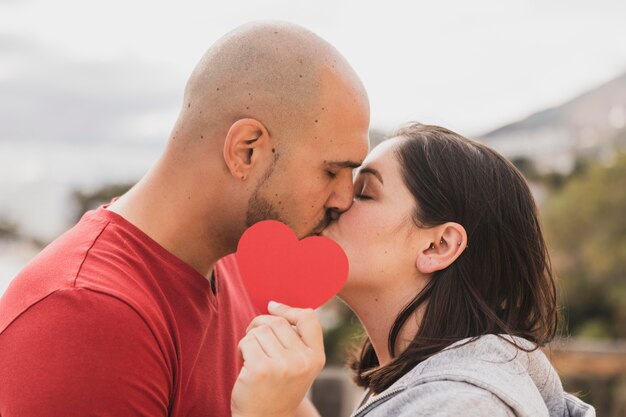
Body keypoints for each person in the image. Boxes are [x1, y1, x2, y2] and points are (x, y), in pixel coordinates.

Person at [0, 21, 369, 417]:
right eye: (331, 172)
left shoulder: (241, 273)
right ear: (246, 150)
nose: (344, 200)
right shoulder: (85, 315)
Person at [233, 124, 596, 416]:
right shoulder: (446, 391)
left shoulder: (457, 407)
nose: (338, 200)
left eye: (364, 192)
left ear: (438, 246)